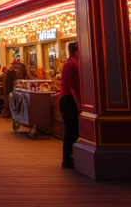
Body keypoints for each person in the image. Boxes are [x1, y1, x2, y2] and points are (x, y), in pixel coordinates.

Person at [59, 41, 80, 169]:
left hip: (67, 99)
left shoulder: (70, 64)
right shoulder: (72, 65)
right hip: (70, 100)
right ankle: (68, 157)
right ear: (74, 51)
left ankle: (70, 156)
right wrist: (79, 105)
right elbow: (72, 87)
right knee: (71, 130)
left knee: (71, 130)